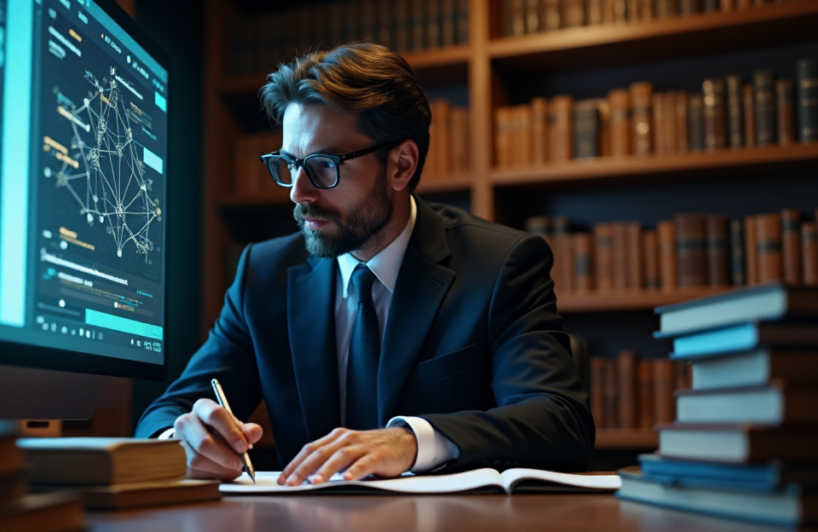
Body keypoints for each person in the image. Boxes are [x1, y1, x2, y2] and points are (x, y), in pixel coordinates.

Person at [136, 42, 594, 486]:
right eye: (289, 164)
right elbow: (167, 411)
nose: (297, 192)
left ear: (401, 166)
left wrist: (410, 441)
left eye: (323, 165)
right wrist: (182, 440)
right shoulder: (263, 274)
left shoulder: (500, 266)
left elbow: (559, 419)